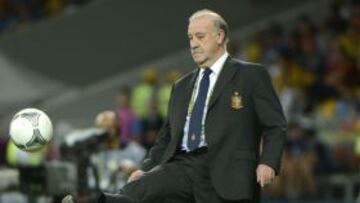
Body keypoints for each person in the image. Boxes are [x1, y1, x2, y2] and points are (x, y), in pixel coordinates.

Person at [62, 9, 286, 203]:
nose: (193, 44)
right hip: (182, 166)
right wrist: (144, 168)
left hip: (229, 172)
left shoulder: (251, 75)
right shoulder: (181, 86)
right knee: (140, 189)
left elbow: (275, 125)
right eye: (190, 38)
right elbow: (167, 136)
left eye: (200, 36)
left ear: (220, 36)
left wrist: (268, 162)